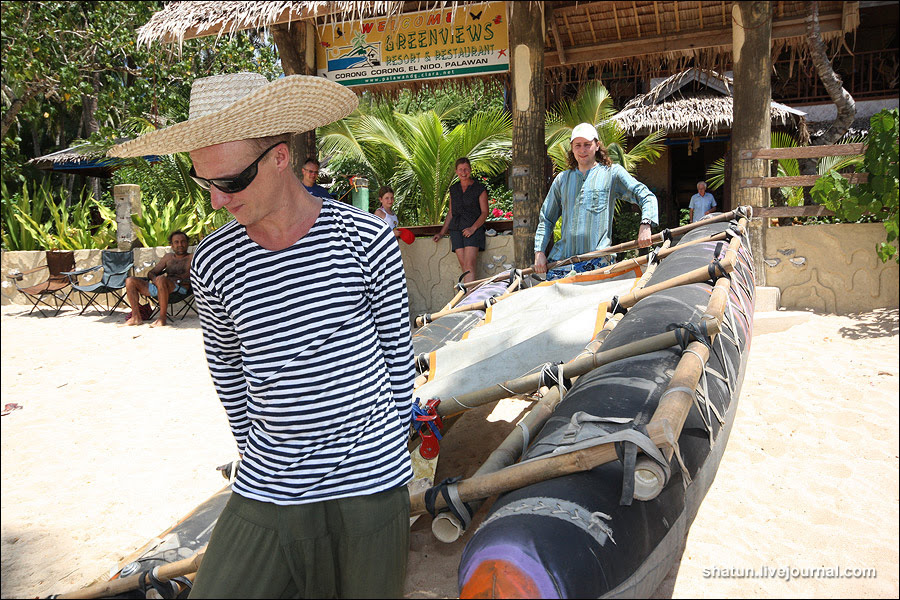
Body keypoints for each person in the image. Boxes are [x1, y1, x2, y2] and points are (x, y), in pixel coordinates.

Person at [109, 73, 414, 599]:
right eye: (204, 183)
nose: (215, 202)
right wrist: (268, 451)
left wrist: (375, 445)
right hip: (268, 482)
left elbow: (397, 358)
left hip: (369, 482)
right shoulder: (214, 260)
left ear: (279, 156)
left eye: (228, 182)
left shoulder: (366, 239)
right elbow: (227, 367)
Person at [534, 123, 658, 280]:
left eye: (587, 144)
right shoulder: (562, 180)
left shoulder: (612, 174)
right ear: (572, 148)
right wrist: (539, 252)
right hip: (563, 263)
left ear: (597, 145)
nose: (582, 150)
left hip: (598, 262)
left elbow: (645, 195)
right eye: (577, 145)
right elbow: (547, 218)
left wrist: (646, 224)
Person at [432, 157, 489, 284]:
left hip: (473, 229)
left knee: (469, 265)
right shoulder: (453, 189)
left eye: (466, 169)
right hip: (456, 229)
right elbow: (451, 212)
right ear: (456, 171)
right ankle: (471, 294)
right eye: (460, 169)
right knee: (464, 266)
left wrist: (473, 228)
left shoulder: (479, 188)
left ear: (470, 170)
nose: (463, 172)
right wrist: (442, 233)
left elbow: (485, 212)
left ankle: (469, 298)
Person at [122, 230, 192, 327]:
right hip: (160, 287)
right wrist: (154, 280)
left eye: (183, 241)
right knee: (130, 281)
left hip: (179, 289)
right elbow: (152, 272)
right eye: (176, 242)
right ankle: (136, 317)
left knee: (161, 279)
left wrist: (159, 280)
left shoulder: (191, 258)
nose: (180, 244)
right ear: (171, 245)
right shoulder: (168, 257)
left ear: (187, 243)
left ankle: (162, 318)